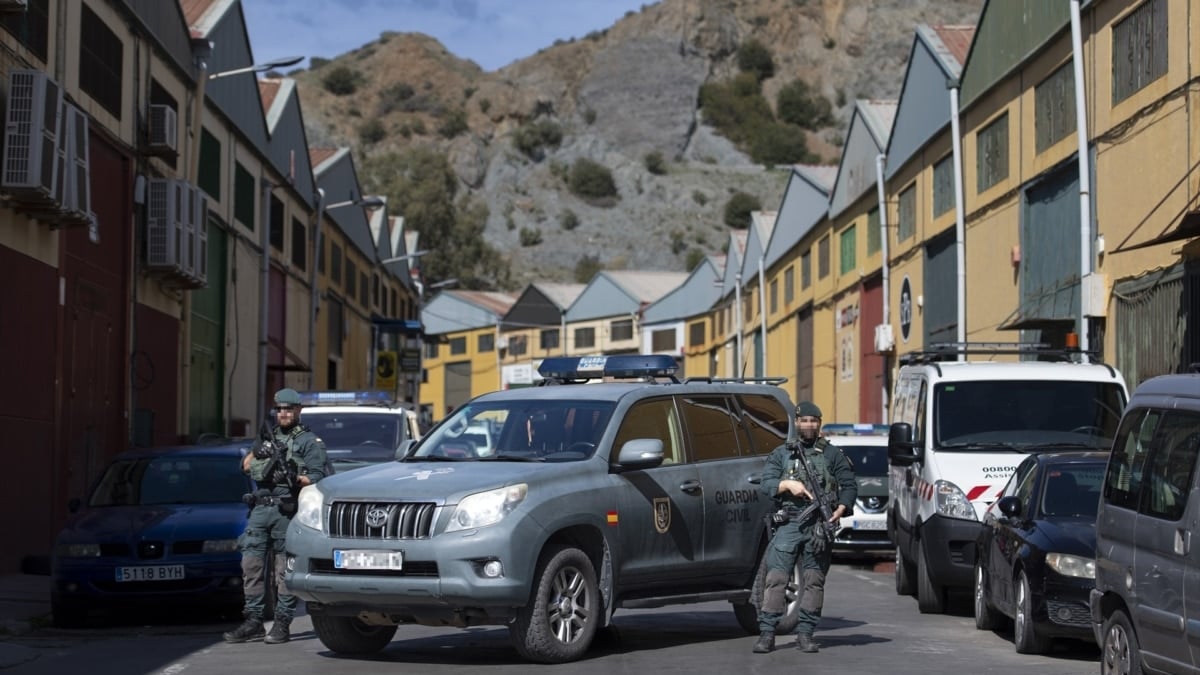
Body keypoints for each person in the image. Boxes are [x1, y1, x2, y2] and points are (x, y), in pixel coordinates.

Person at [223, 388, 328, 645]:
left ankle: (282, 622)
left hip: (287, 509)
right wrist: (260, 450)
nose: (283, 413)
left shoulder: (308, 441)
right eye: (280, 409)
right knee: (251, 565)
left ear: (298, 411)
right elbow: (246, 466)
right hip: (260, 508)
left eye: (289, 409)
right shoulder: (267, 437)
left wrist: (294, 479)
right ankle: (254, 620)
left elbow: (317, 477)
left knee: (284, 570)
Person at [752, 401, 856, 654]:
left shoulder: (831, 454)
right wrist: (788, 485)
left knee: (813, 581)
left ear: (819, 424)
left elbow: (849, 485)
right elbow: (766, 485)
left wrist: (841, 508)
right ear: (796, 423)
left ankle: (806, 634)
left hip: (819, 526)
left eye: (813, 421)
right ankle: (767, 633)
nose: (808, 425)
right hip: (789, 522)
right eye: (804, 420)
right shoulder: (782, 454)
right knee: (776, 579)